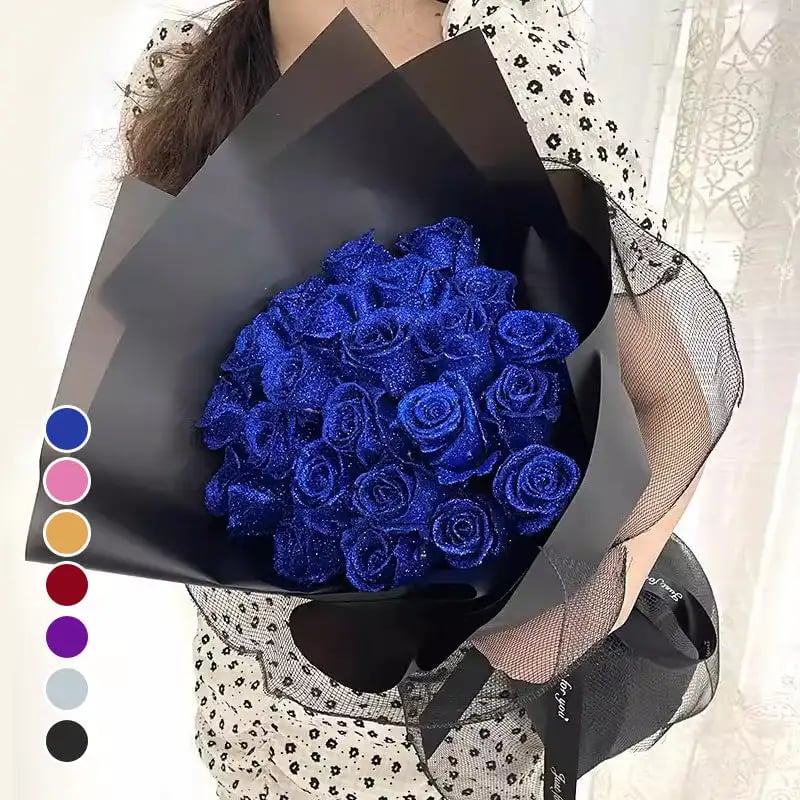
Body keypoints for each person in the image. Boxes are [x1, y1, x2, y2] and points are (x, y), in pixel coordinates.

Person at [119, 2, 728, 798]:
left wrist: (562, 612)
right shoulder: (180, 62)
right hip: (257, 698)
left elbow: (668, 391)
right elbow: (170, 344)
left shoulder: (510, 50)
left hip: (459, 724)